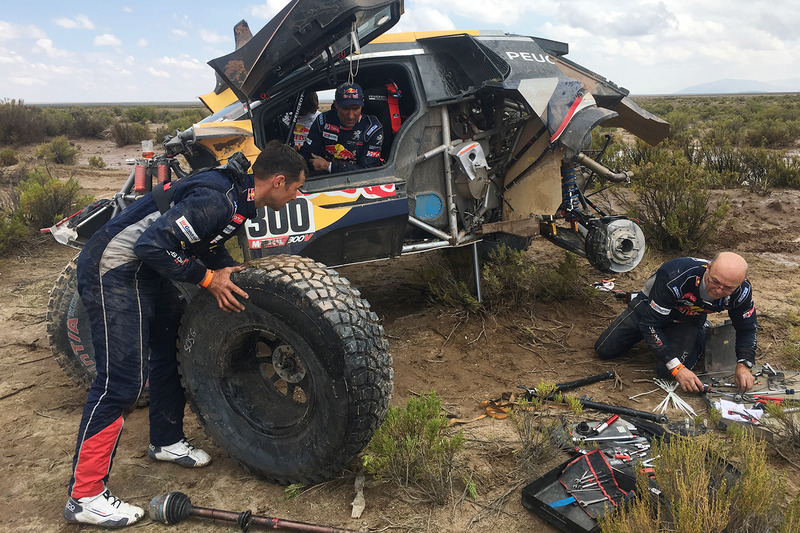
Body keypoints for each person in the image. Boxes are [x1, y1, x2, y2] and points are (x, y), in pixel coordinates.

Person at [64, 141, 307, 528]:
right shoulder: (218, 199)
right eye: (297, 188)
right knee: (121, 383)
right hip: (113, 268)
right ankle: (85, 496)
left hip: (145, 269)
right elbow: (151, 244)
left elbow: (201, 242)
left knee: (169, 346)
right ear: (278, 182)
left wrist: (227, 269)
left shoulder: (237, 199)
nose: (298, 195)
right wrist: (209, 280)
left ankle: (165, 440)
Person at [594, 252, 757, 393]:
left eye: (728, 288)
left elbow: (747, 328)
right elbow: (649, 324)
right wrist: (677, 367)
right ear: (708, 268)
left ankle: (701, 334)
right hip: (651, 306)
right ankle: (668, 336)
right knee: (605, 349)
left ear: (742, 281)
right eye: (714, 281)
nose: (718, 290)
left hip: (690, 316)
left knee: (666, 373)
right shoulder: (675, 275)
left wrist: (744, 363)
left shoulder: (742, 292)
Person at [300, 81, 383, 175]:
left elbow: (368, 171)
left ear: (362, 105)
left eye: (356, 109)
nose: (351, 116)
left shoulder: (372, 127)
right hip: (323, 179)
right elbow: (308, 154)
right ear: (335, 104)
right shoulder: (323, 120)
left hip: (358, 183)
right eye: (345, 109)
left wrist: (328, 166)